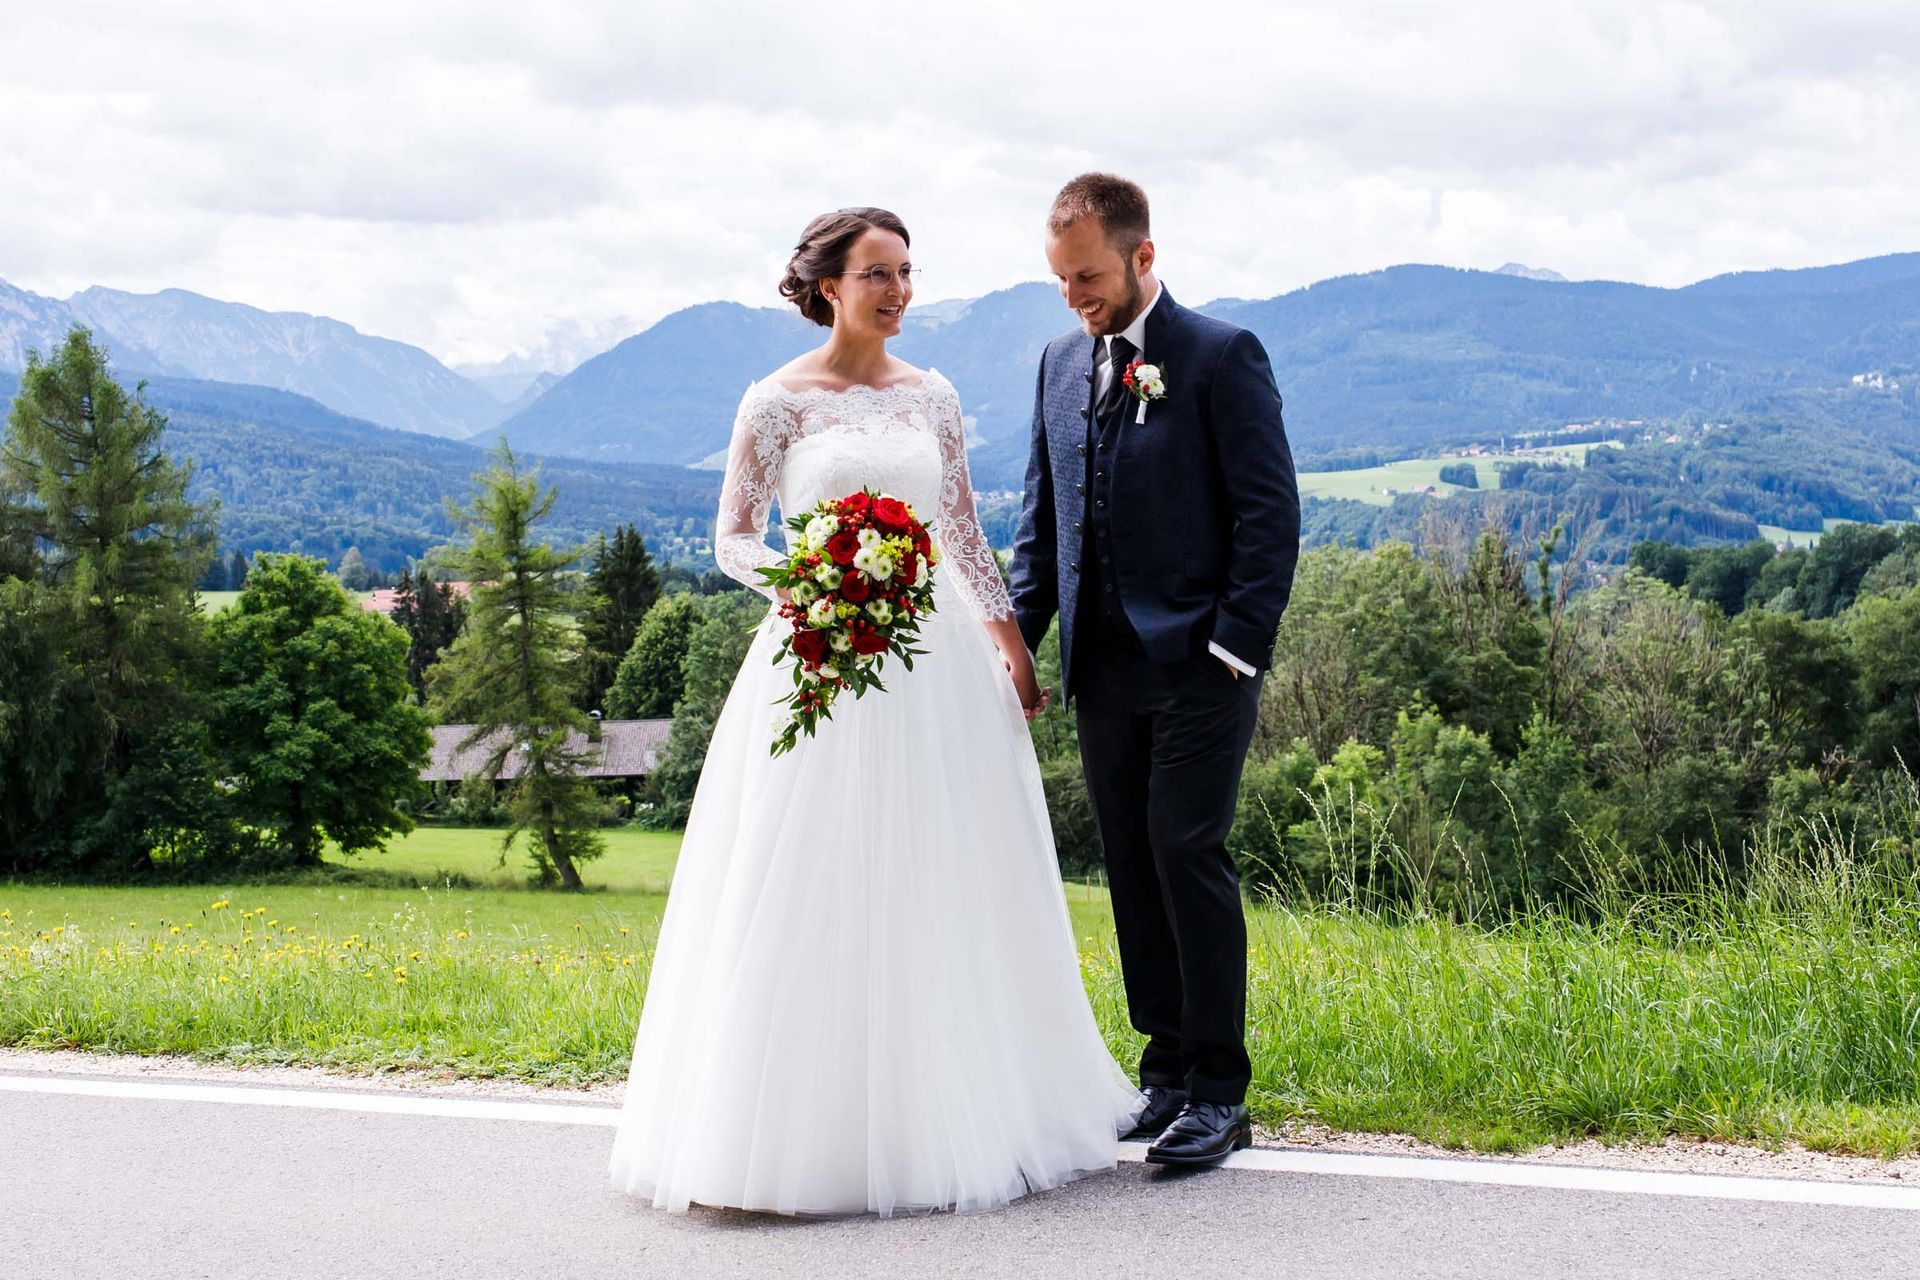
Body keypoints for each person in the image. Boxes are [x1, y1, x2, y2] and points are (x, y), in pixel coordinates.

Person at [607, 207, 1139, 1216]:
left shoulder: (931, 394)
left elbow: (965, 526)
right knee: (816, 861)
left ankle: (961, 1102)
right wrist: (820, 582)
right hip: (820, 651)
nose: (897, 291)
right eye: (876, 274)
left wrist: (1010, 639)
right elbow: (734, 537)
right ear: (828, 287)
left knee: (942, 859)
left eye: (905, 272)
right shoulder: (775, 403)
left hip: (931, 654)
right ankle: (795, 1127)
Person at [1009, 173, 1301, 1168]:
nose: (1073, 295)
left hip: (1197, 664)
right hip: (1101, 665)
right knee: (1132, 863)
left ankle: (1222, 1089)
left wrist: (1233, 645)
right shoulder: (1055, 361)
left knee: (1186, 848)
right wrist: (1017, 639)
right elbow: (1042, 523)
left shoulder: (1220, 354)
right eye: (1058, 278)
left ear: (1142, 255)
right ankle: (1167, 1070)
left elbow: (1270, 515)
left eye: (1086, 274)